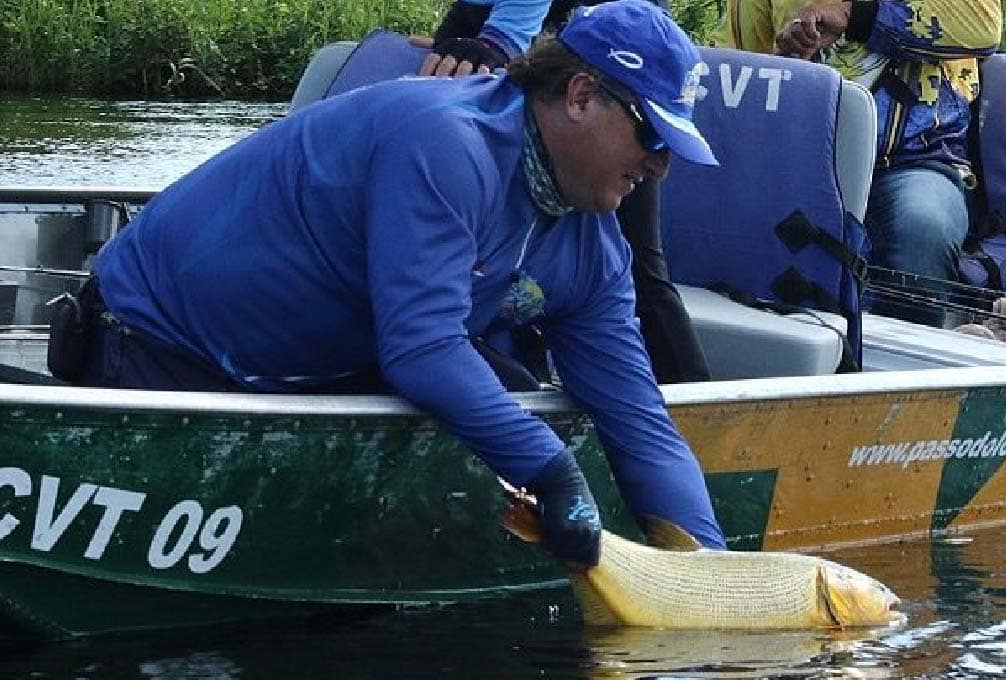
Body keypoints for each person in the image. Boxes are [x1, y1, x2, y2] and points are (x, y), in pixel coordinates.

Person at [68, 0, 727, 567]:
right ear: (580, 96)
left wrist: (709, 574)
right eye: (652, 135)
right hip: (157, 344)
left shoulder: (596, 249)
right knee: (510, 427)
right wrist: (552, 470)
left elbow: (639, 425)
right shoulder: (449, 143)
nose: (661, 167)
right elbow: (422, 348)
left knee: (511, 396)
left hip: (319, 372)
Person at [420, 0, 713, 385]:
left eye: (662, 145)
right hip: (548, 60)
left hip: (595, 56)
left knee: (639, 267)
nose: (661, 168)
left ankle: (698, 403)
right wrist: (454, 37)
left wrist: (497, 40)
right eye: (655, 142)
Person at [716, 0, 1001, 327]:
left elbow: (984, 26)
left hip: (916, 160)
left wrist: (856, 14)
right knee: (722, 217)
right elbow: (732, 69)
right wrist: (785, 56)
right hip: (797, 162)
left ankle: (904, 356)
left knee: (922, 229)